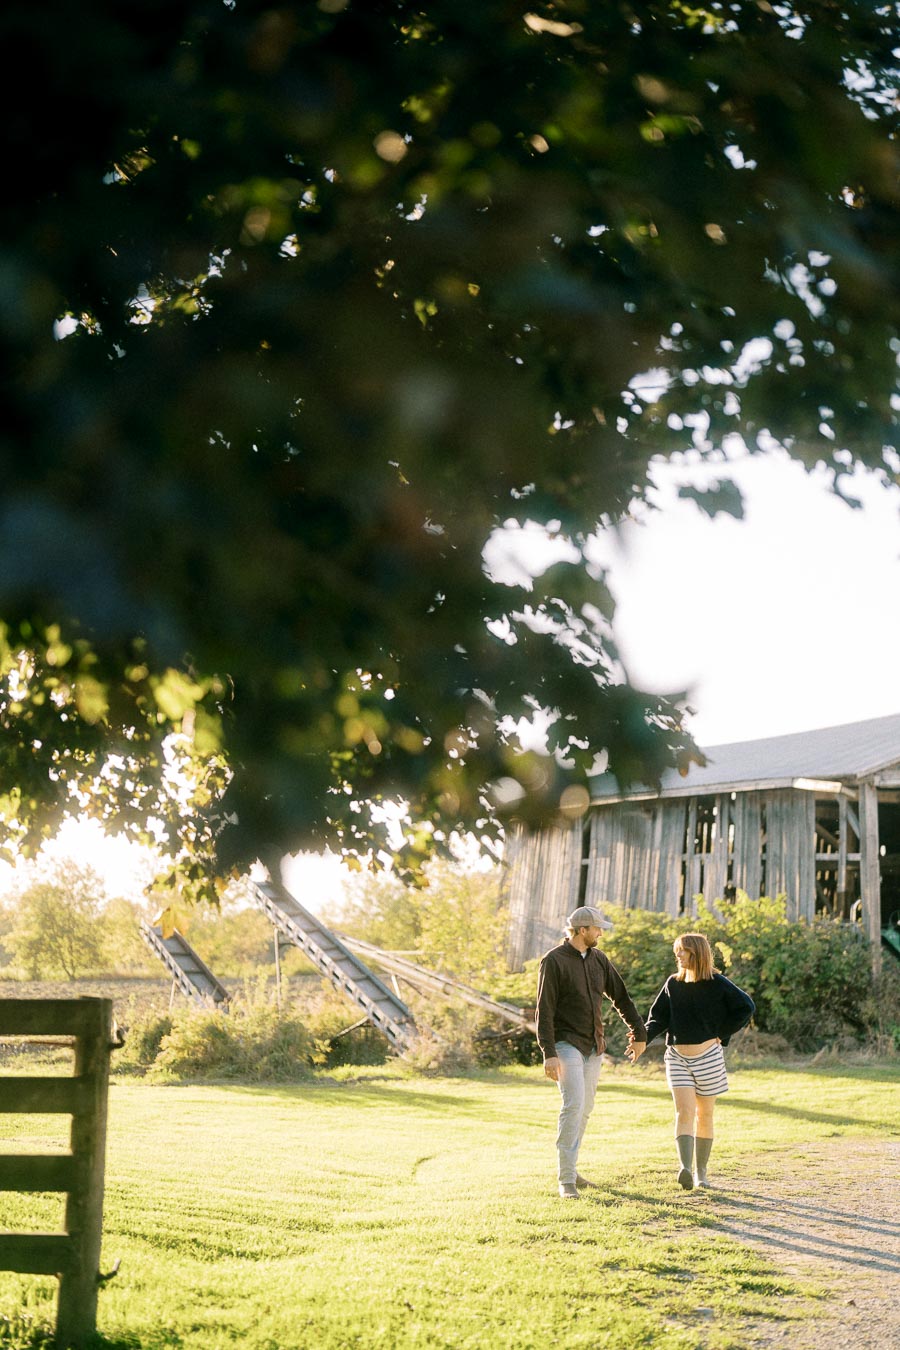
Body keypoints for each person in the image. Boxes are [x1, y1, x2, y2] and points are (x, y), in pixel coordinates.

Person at [536, 905, 647, 1199]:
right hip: (565, 1045)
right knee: (573, 1105)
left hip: (593, 1047)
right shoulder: (553, 961)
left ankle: (572, 1169)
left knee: (584, 1109)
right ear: (582, 930)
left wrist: (639, 1033)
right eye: (597, 928)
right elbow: (544, 1011)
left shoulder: (599, 960)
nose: (601, 933)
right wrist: (548, 1052)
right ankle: (566, 1181)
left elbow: (621, 997)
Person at [644, 933, 755, 1191]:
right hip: (677, 1058)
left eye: (683, 951)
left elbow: (746, 1007)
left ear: (697, 952)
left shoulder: (717, 983)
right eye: (677, 951)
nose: (678, 956)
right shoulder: (673, 984)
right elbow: (657, 1018)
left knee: (704, 1114)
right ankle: (685, 1167)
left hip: (708, 1059)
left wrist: (722, 1034)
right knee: (684, 1112)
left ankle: (701, 1173)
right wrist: (641, 1039)